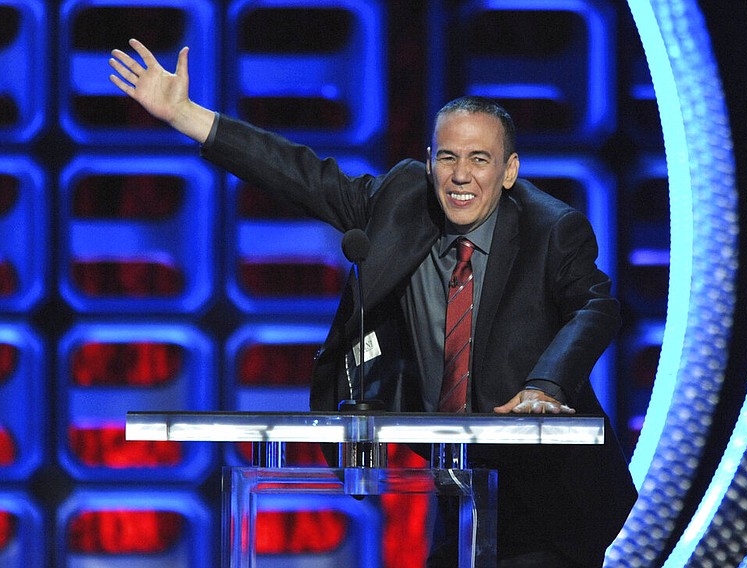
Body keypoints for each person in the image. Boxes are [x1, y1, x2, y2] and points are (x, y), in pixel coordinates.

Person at [109, 39, 637, 567]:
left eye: (480, 160)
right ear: (430, 161)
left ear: (509, 170)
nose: (460, 176)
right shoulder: (401, 200)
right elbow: (299, 175)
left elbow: (594, 307)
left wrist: (544, 386)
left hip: (551, 498)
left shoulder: (552, 229)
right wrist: (184, 114)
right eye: (448, 157)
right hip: (459, 487)